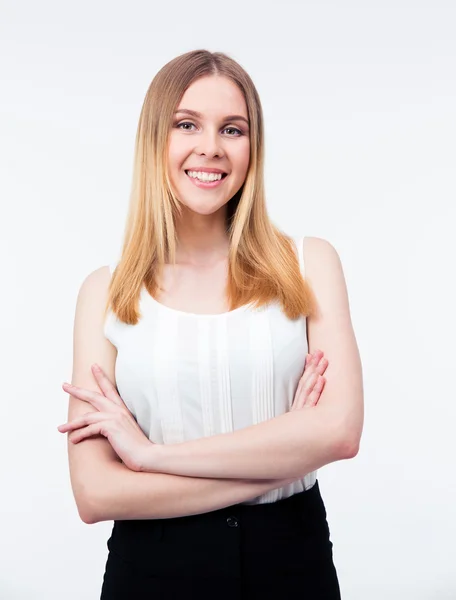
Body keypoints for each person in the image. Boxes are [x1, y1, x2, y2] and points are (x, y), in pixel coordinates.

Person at [58, 49, 364, 599]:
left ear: (254, 147)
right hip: (152, 573)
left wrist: (152, 459)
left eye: (232, 129)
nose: (211, 147)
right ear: (156, 138)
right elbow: (96, 493)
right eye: (186, 124)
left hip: (292, 567)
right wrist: (284, 452)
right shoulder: (104, 294)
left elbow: (338, 433)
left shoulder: (310, 264)